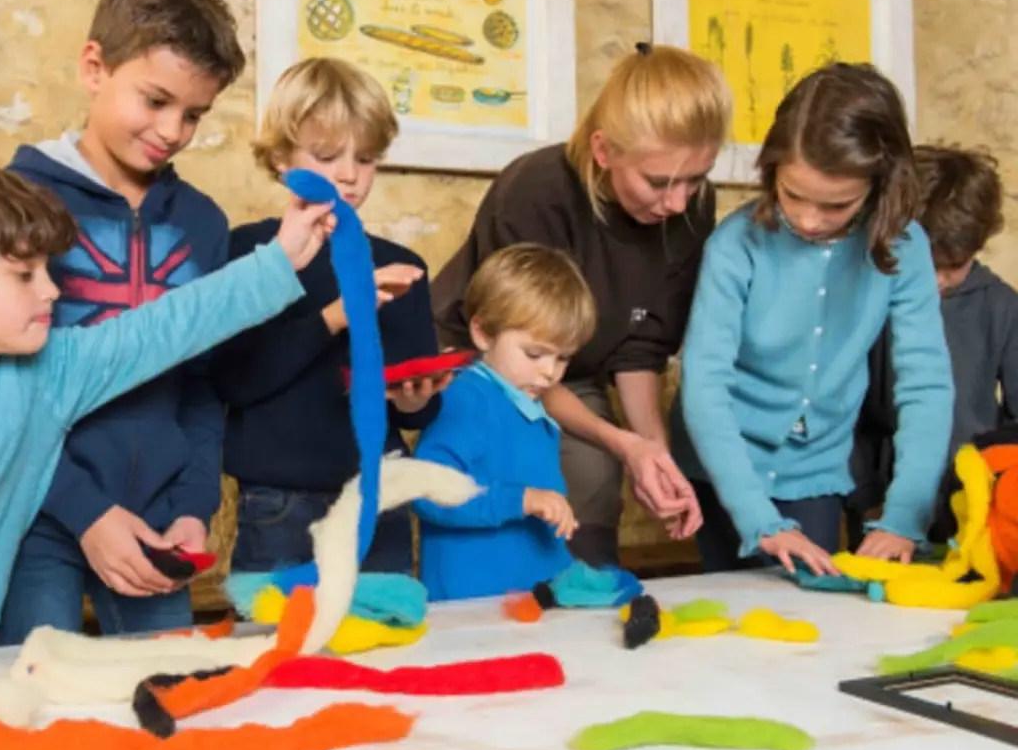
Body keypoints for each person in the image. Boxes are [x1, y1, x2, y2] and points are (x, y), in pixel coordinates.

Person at [0, 158, 331, 659]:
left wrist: (282, 256)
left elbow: (169, 326)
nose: (51, 290)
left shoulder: (49, 377)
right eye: (24, 276)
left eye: (46, 269)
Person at [0, 0, 246, 645]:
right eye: (156, 100)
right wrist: (85, 511)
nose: (173, 130)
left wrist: (194, 508)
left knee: (163, 697)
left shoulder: (204, 225)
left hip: (161, 525)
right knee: (36, 698)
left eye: (194, 114)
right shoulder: (13, 204)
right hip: (38, 519)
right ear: (94, 67)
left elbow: (200, 385)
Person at [431, 43, 731, 565]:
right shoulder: (536, 191)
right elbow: (521, 358)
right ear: (602, 150)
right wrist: (622, 443)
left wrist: (651, 453)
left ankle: (586, 603)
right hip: (486, 361)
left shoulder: (690, 209)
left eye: (696, 179)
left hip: (573, 363)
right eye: (658, 182)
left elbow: (640, 350)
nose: (679, 203)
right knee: (553, 466)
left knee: (597, 474)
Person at [674, 62, 955, 577]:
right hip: (724, 466)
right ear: (771, 169)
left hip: (818, 468)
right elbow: (704, 386)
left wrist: (904, 516)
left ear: (880, 184)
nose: (807, 220)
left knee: (816, 616)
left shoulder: (905, 247)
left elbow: (926, 385)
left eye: (835, 205)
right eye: (792, 195)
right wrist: (759, 519)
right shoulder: (735, 245)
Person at [211, 57, 445, 575]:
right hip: (279, 504)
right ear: (279, 158)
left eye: (366, 158)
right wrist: (337, 315)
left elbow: (416, 415)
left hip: (378, 497)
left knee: (382, 642)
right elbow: (238, 383)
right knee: (281, 647)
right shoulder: (247, 253)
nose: (349, 174)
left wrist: (418, 398)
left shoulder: (402, 267)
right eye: (326, 155)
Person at [849, 144, 1018, 545]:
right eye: (925, 265)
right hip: (881, 505)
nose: (936, 281)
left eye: (952, 267)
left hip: (977, 509)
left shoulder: (1002, 306)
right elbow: (848, 409)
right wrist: (865, 495)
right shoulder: (871, 299)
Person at [412, 243, 595, 601]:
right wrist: (520, 500)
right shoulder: (465, 398)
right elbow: (426, 491)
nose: (549, 372)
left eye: (564, 358)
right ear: (482, 333)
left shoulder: (530, 406)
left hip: (527, 601)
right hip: (472, 606)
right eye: (535, 353)